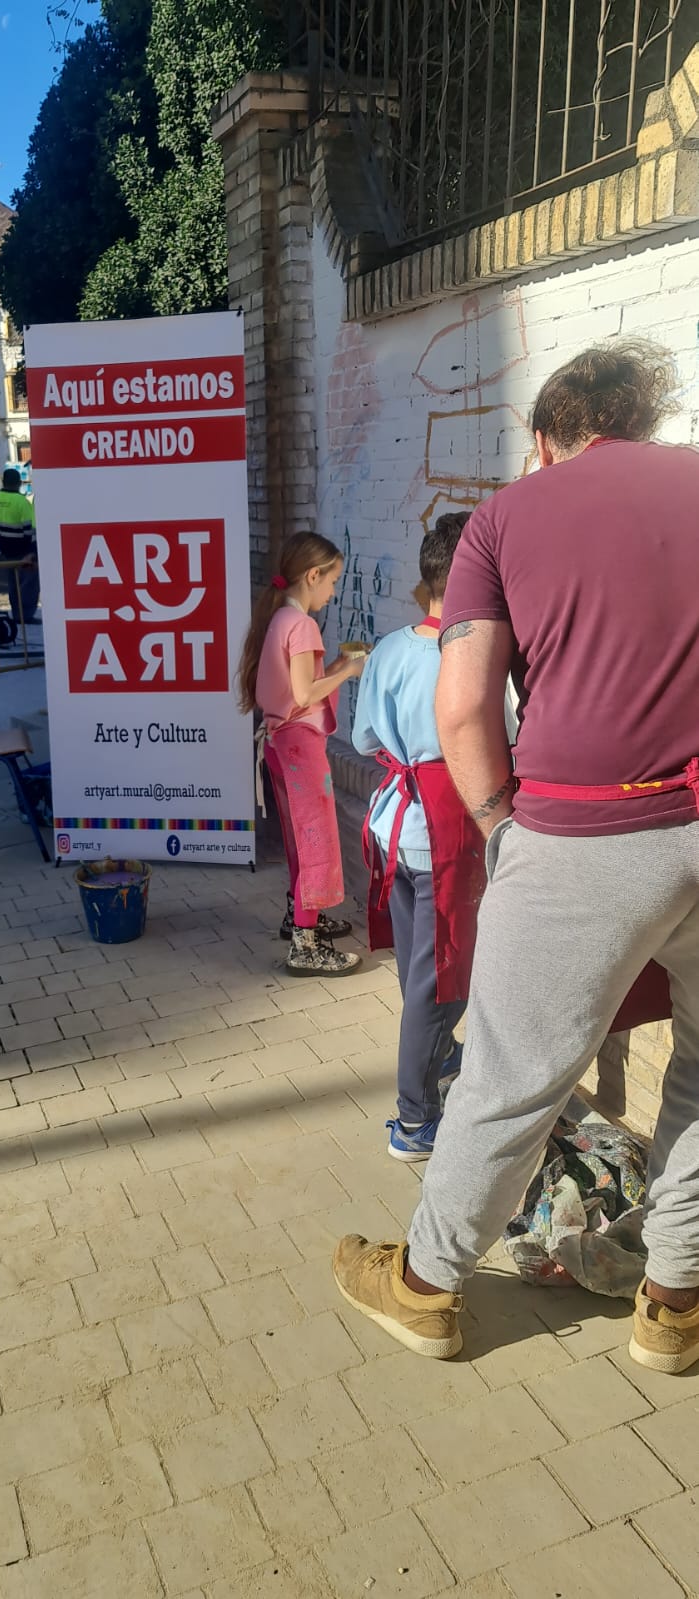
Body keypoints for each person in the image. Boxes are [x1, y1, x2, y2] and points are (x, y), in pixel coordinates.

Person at [333, 340, 699, 1374]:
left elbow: (462, 708)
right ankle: (672, 1306)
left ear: (542, 439)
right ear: (643, 422)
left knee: (508, 1078)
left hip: (583, 832)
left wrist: (500, 826)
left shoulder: (502, 520)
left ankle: (423, 1288)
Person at [353, 513, 483, 1160]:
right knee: (438, 979)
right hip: (442, 831)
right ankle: (413, 1120)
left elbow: (362, 740)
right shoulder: (467, 655)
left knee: (416, 969)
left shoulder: (388, 648)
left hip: (394, 824)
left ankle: (439, 1053)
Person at [237, 532, 365, 977]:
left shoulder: (280, 618)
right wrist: (349, 670)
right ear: (312, 576)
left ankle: (301, 917)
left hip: (279, 742)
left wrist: (335, 667)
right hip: (301, 748)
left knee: (299, 839)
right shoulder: (303, 625)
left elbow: (298, 687)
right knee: (317, 842)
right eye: (332, 581)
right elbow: (306, 693)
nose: (333, 592)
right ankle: (305, 945)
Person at [0, 468, 39, 625]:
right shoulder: (22, 502)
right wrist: (30, 551)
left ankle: (16, 614)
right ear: (19, 483)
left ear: (3, 482)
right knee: (29, 584)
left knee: (13, 585)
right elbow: (29, 530)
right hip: (24, 551)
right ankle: (26, 616)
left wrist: (4, 543)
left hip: (6, 551)